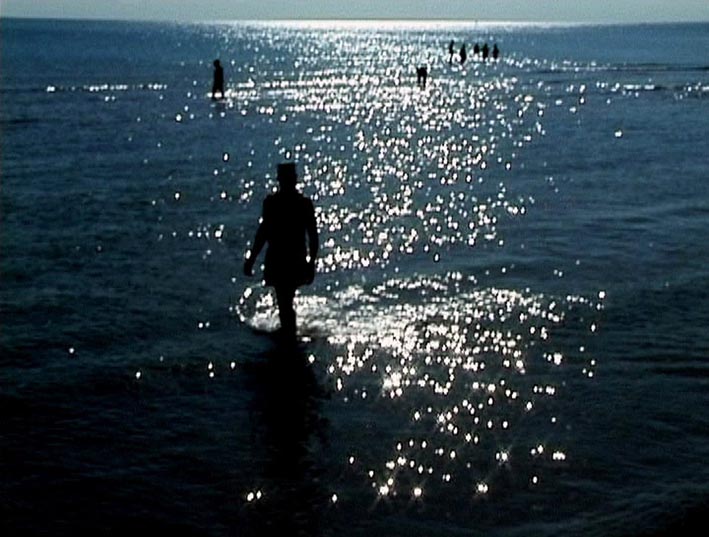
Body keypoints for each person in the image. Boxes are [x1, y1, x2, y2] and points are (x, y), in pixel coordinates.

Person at [244, 163, 319, 338]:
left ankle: (288, 335)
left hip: (281, 258)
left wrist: (252, 258)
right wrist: (311, 262)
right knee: (285, 299)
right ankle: (289, 334)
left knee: (284, 300)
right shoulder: (302, 204)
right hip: (292, 258)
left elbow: (263, 233)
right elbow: (313, 237)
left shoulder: (273, 203)